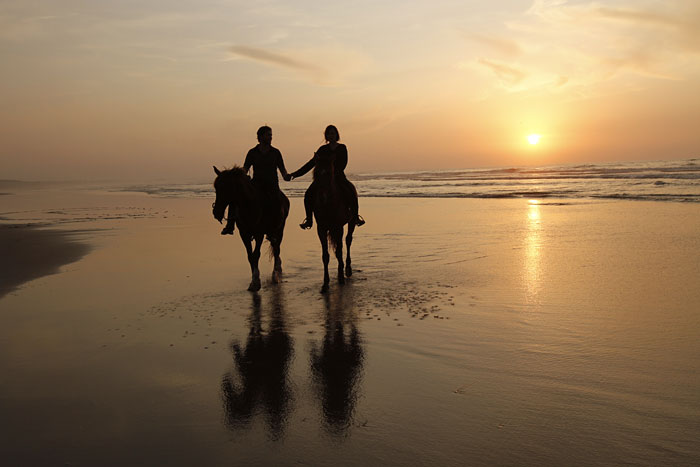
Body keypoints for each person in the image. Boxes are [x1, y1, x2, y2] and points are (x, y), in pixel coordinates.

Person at [290, 125, 364, 230]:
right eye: (329, 134)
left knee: (351, 191)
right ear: (326, 136)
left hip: (338, 177)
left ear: (336, 135)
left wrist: (333, 173)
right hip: (322, 179)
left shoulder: (342, 148)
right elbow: (311, 164)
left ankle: (356, 217)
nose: (331, 135)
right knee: (309, 194)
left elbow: (343, 164)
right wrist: (295, 174)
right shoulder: (322, 149)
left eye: (333, 133)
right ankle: (309, 219)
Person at [221, 126, 291, 235]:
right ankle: (230, 225)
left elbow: (282, 169)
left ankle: (274, 229)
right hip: (256, 184)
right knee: (236, 199)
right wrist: (240, 176)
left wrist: (286, 175)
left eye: (271, 135)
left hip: (272, 185)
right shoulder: (252, 152)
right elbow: (246, 168)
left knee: (277, 203)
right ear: (260, 137)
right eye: (268, 135)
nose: (270, 137)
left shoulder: (275, 152)